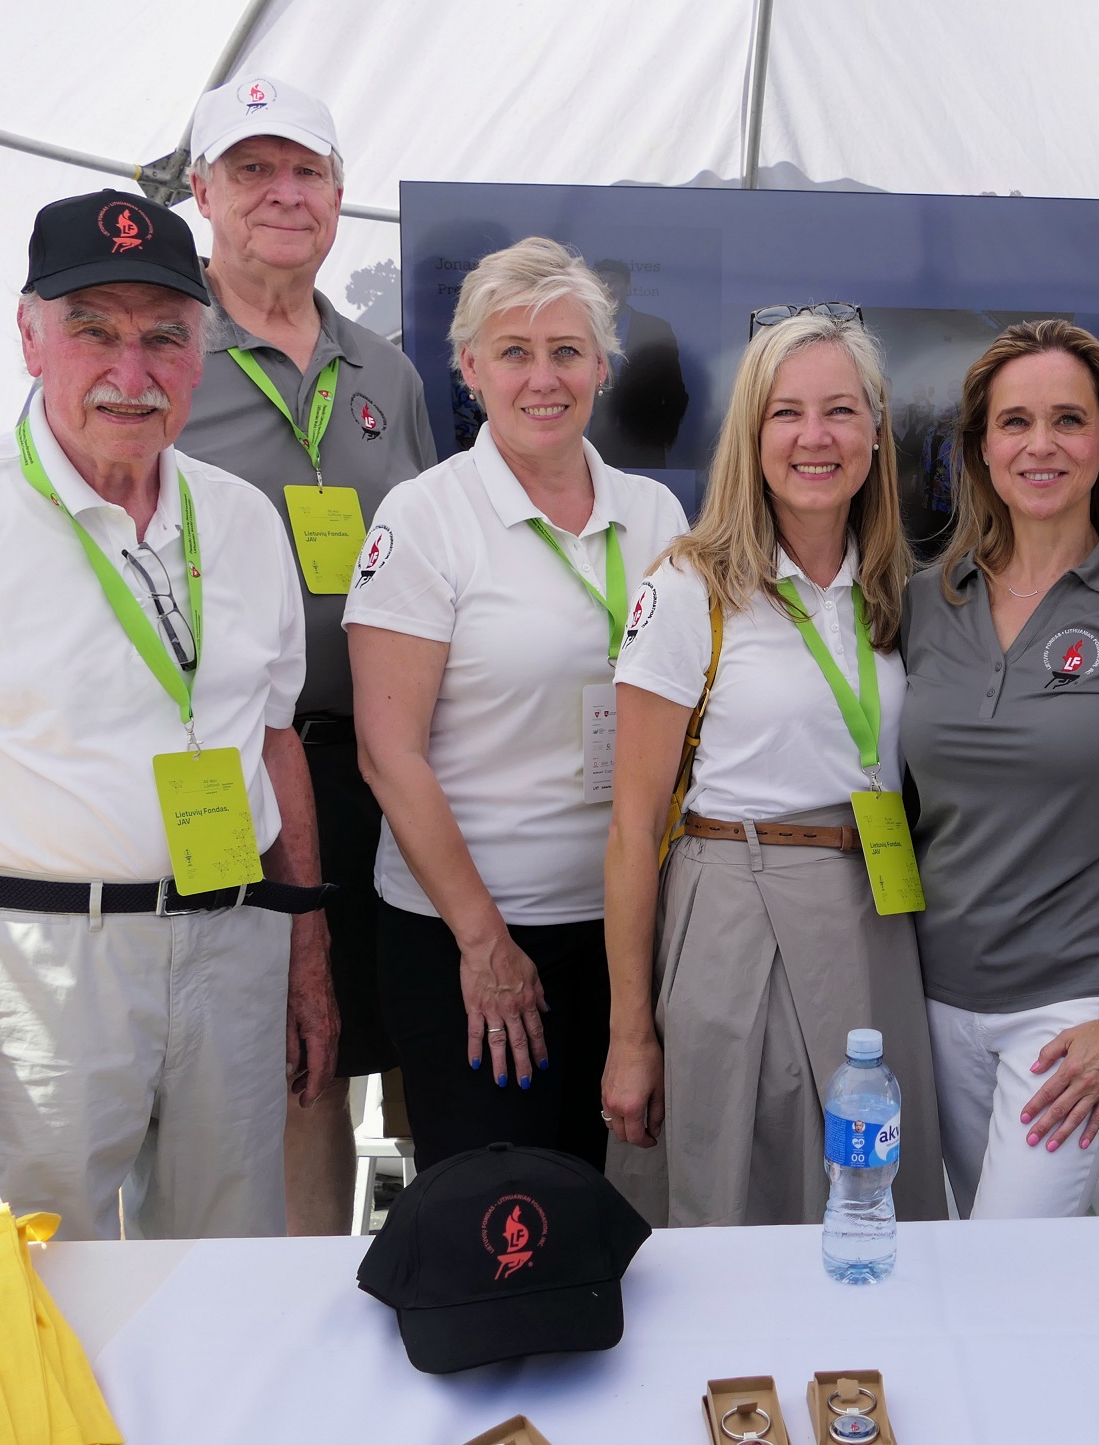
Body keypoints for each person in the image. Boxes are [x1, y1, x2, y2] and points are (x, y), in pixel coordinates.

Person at [0, 191, 328, 1238]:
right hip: (32, 969)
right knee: (34, 1282)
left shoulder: (241, 519)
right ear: (29, 337)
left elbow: (273, 741)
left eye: (163, 337)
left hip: (232, 947)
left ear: (202, 351)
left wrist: (305, 958)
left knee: (226, 1271)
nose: (130, 374)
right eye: (93, 331)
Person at [346, 238, 687, 1175]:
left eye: (568, 351)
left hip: (628, 933)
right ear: (469, 368)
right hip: (473, 942)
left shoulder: (657, 517)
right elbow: (387, 754)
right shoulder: (425, 518)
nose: (544, 378)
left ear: (603, 367)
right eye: (514, 352)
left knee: (620, 1209)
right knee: (504, 1211)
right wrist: (484, 942)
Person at [601, 311, 945, 1226]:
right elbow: (632, 828)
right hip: (737, 907)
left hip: (874, 915)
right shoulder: (689, 589)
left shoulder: (897, 590)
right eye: (786, 413)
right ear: (750, 437)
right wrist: (630, 1033)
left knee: (870, 1194)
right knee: (734, 1193)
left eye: (840, 411)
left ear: (876, 431)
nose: (815, 437)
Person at [176, 74, 439, 1234]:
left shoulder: (387, 371)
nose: (283, 193)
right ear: (201, 193)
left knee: (409, 1039)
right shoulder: (159, 357)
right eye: (251, 170)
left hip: (387, 763)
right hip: (231, 770)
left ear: (338, 194)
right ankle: (291, 1308)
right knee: (289, 1061)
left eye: (306, 171)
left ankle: (426, 1282)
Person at [902, 320, 1099, 1219]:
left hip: (1073, 1006)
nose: (1040, 445)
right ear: (980, 447)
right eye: (1015, 422)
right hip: (930, 997)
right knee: (965, 1245)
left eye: (1068, 420)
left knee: (1009, 1255)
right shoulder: (927, 601)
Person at [585, 259, 690, 470]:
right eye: (601, 282)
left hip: (644, 449)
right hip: (595, 446)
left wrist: (661, 437)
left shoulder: (656, 329)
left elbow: (676, 394)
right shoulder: (583, 329)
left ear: (628, 288)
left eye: (613, 281)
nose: (607, 288)